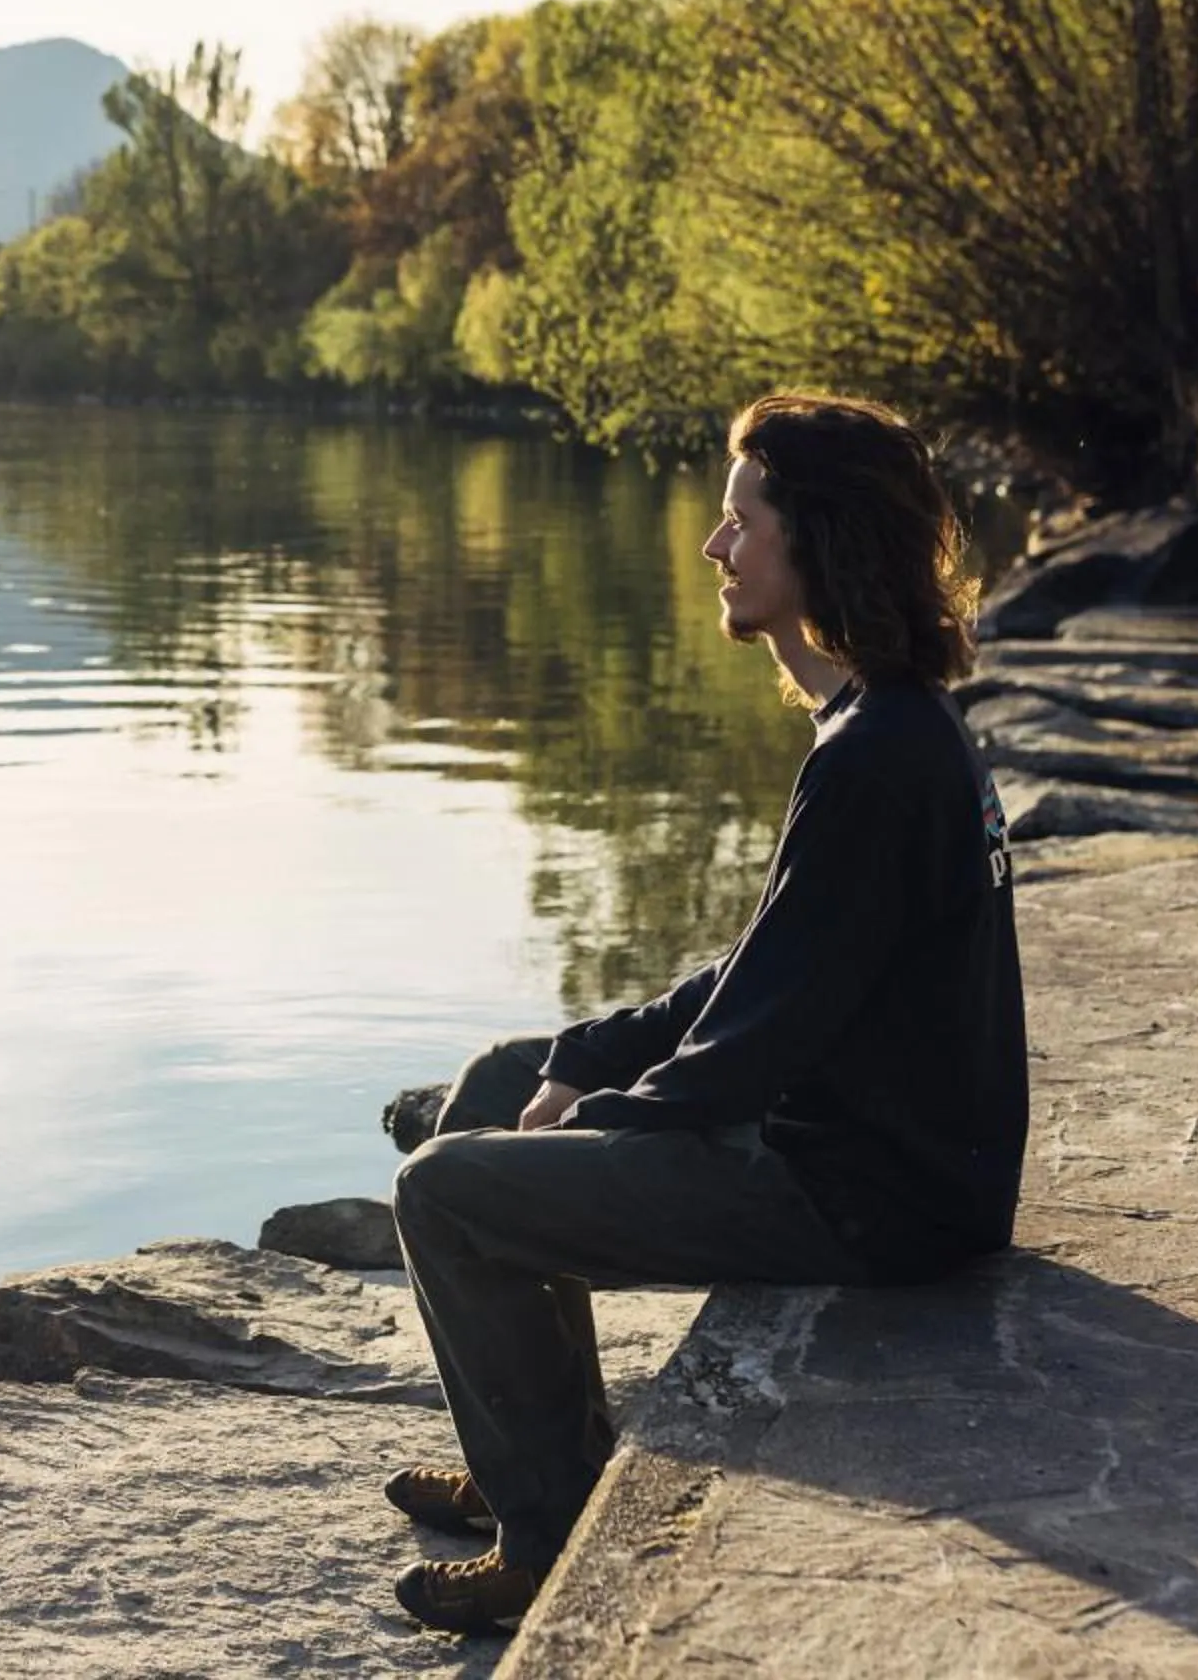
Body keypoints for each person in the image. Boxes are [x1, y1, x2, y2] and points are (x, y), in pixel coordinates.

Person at [383, 392, 1028, 1634]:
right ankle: (532, 1448)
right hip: (860, 1147)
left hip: (868, 1195)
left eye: (741, 522)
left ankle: (547, 1532)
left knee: (446, 1190)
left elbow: (758, 1042)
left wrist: (596, 1121)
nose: (714, 548)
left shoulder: (878, 757)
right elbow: (762, 969)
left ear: (817, 540)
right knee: (493, 1079)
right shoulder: (881, 723)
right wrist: (580, 1055)